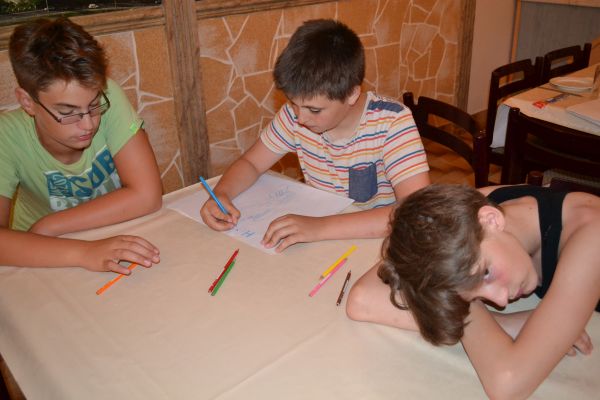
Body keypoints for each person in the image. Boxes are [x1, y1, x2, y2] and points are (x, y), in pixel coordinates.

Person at [346, 183, 600, 399]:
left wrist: (452, 303)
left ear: (492, 220)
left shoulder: (591, 232)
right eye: (475, 295)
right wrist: (503, 322)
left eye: (485, 273)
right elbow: (362, 299)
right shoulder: (470, 215)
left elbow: (507, 384)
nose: (500, 300)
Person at [200, 19, 430, 252]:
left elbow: (415, 212)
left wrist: (318, 227)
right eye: (293, 103)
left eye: (314, 110)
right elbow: (251, 163)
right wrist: (222, 194)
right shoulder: (294, 115)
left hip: (374, 246)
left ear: (351, 94)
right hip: (322, 242)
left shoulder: (392, 122)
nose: (301, 118)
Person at [0, 18, 163, 274]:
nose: (88, 124)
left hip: (91, 233)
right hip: (41, 255)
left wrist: (50, 225)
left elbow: (148, 195)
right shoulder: (6, 135)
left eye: (94, 105)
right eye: (68, 112)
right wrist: (83, 252)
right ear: (27, 102)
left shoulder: (108, 94)